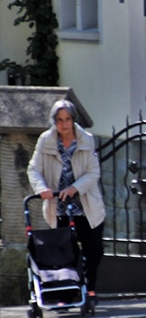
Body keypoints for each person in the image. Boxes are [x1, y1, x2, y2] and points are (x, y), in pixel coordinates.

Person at [28, 99, 106, 298]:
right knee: (67, 252)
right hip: (59, 206)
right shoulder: (46, 140)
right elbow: (34, 169)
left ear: (73, 120)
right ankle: (72, 292)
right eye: (60, 120)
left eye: (68, 119)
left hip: (86, 204)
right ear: (54, 122)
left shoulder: (86, 139)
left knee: (94, 250)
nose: (64, 124)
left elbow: (93, 172)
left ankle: (90, 289)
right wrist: (42, 188)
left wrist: (74, 188)